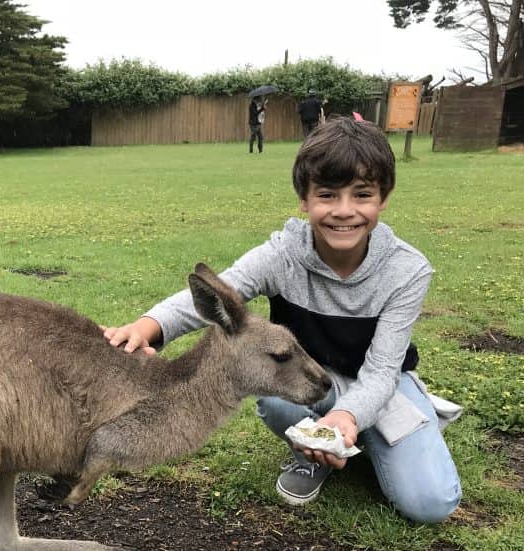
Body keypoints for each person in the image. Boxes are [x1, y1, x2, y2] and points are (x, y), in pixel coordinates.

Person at [102, 118, 462, 525]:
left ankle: (382, 424)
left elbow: (381, 371)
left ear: (383, 198)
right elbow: (226, 291)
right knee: (274, 397)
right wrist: (147, 326)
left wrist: (348, 416)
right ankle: (319, 454)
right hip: (313, 375)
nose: (344, 211)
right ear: (304, 200)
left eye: (362, 195)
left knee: (431, 503)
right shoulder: (284, 255)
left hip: (383, 383)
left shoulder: (407, 270)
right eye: (327, 195)